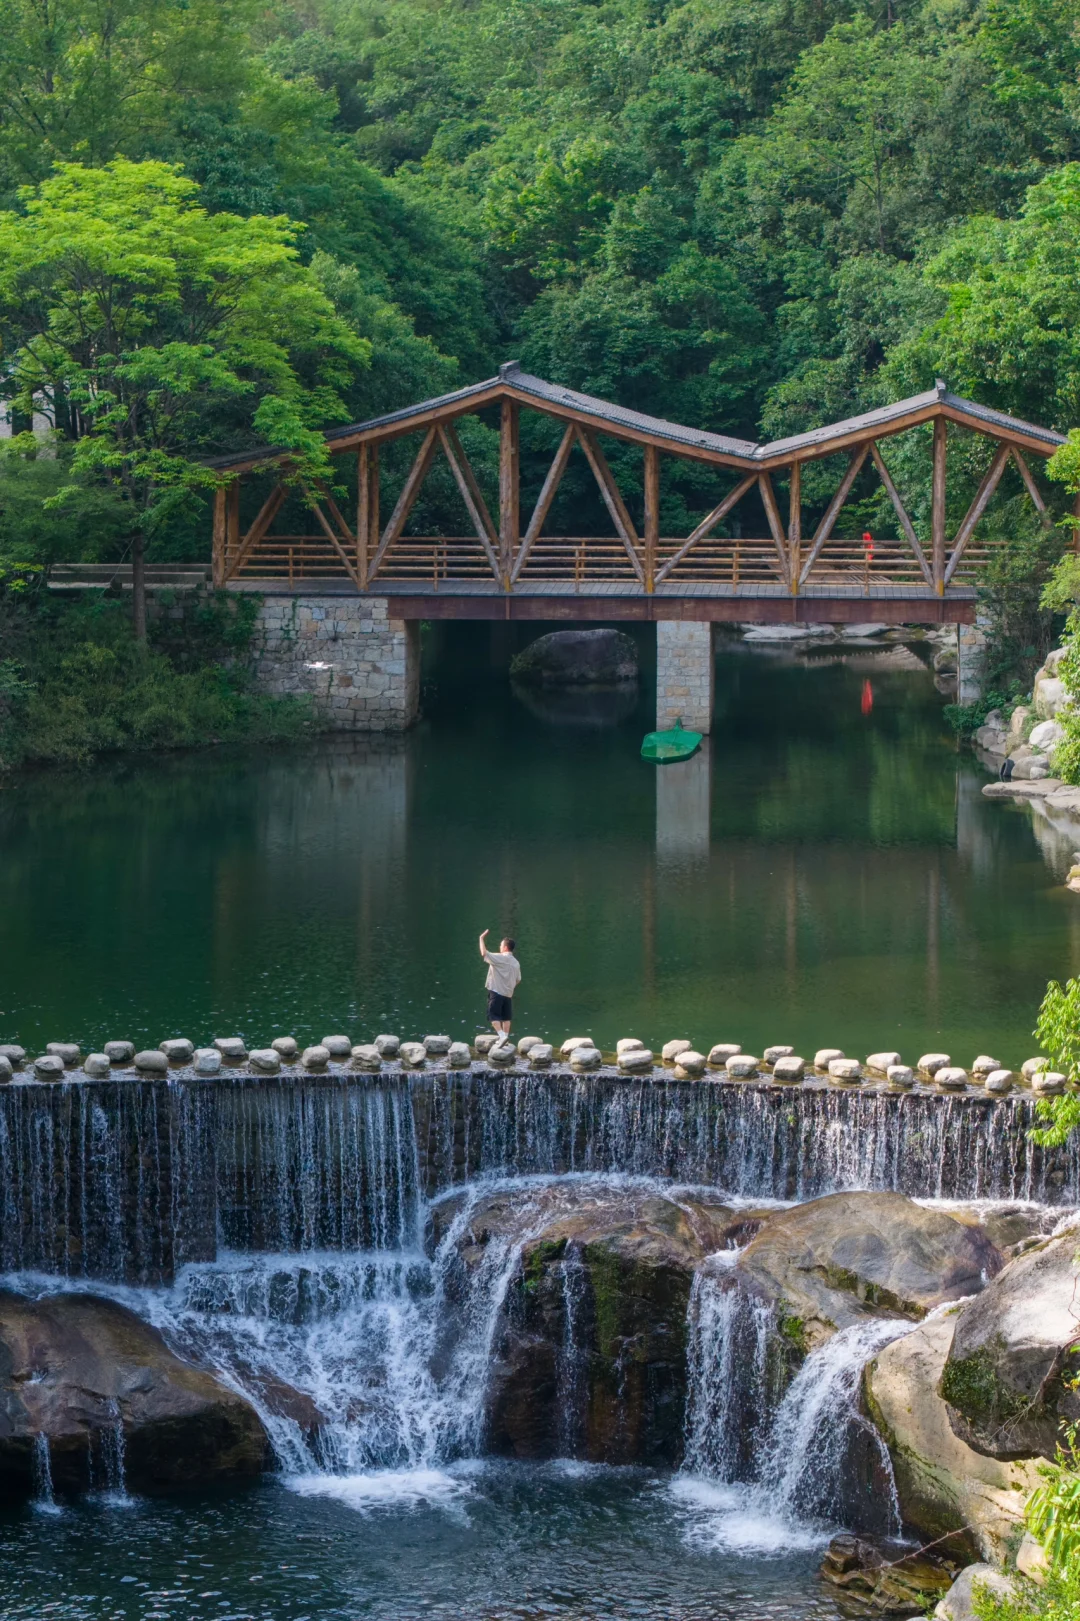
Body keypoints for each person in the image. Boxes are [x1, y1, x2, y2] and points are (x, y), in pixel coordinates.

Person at [479, 928, 521, 1040]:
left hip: (496, 992)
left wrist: (481, 938)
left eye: (501, 945)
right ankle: (505, 1038)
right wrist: (510, 987)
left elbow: (484, 953)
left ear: (505, 947)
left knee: (493, 1016)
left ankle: (502, 1037)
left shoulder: (500, 957)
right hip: (508, 994)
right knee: (506, 1018)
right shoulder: (516, 963)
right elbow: (518, 979)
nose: (500, 947)